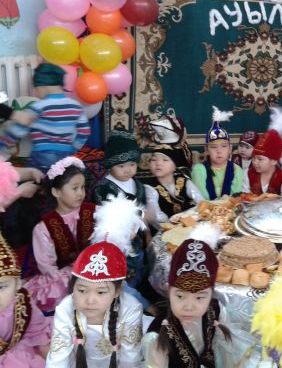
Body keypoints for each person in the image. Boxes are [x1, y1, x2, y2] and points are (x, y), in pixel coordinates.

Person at [142, 223, 230, 367]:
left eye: (200, 297)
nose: (189, 307)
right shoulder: (157, 337)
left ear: (211, 294)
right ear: (168, 290)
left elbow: (222, 353)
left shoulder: (216, 310)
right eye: (180, 296)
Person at [46, 241, 144, 367]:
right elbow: (58, 358)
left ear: (117, 291)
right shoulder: (65, 309)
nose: (90, 300)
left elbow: (130, 358)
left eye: (101, 292)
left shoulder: (130, 309)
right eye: (82, 290)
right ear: (73, 287)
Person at [24, 156, 96, 314]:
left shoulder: (94, 212)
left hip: (95, 270)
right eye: (75, 188)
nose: (81, 193)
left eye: (83, 187)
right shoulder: (44, 228)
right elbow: (48, 267)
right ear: (56, 192)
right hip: (63, 279)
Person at [0, 63, 90, 173]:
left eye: (36, 89)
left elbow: (18, 130)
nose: (36, 93)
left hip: (42, 155)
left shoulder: (38, 106)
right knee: (60, 179)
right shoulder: (76, 106)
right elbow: (85, 131)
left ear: (42, 87)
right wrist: (74, 148)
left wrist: (3, 143)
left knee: (34, 177)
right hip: (66, 155)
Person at [0, 231, 51, 366]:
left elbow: (36, 333)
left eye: (1, 287)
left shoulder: (22, 305)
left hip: (19, 357)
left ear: (18, 284)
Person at [144, 144, 205, 229]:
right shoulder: (149, 187)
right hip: (165, 230)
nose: (158, 163)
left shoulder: (184, 181)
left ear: (174, 166)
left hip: (190, 224)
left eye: (165, 160)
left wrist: (189, 218)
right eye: (154, 160)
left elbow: (201, 202)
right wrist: (175, 227)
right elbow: (157, 217)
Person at [191, 107, 244, 200]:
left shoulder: (237, 170)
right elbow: (201, 199)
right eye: (213, 147)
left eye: (224, 146)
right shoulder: (199, 170)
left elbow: (236, 198)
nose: (219, 151)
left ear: (230, 149)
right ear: (206, 150)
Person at [242, 107, 282, 195]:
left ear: (274, 161)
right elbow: (244, 198)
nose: (255, 162)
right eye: (254, 158)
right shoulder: (247, 175)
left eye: (260, 159)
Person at [93, 130, 147, 205]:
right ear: (110, 166)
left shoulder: (139, 185)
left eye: (132, 164)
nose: (128, 170)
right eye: (121, 166)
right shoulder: (103, 188)